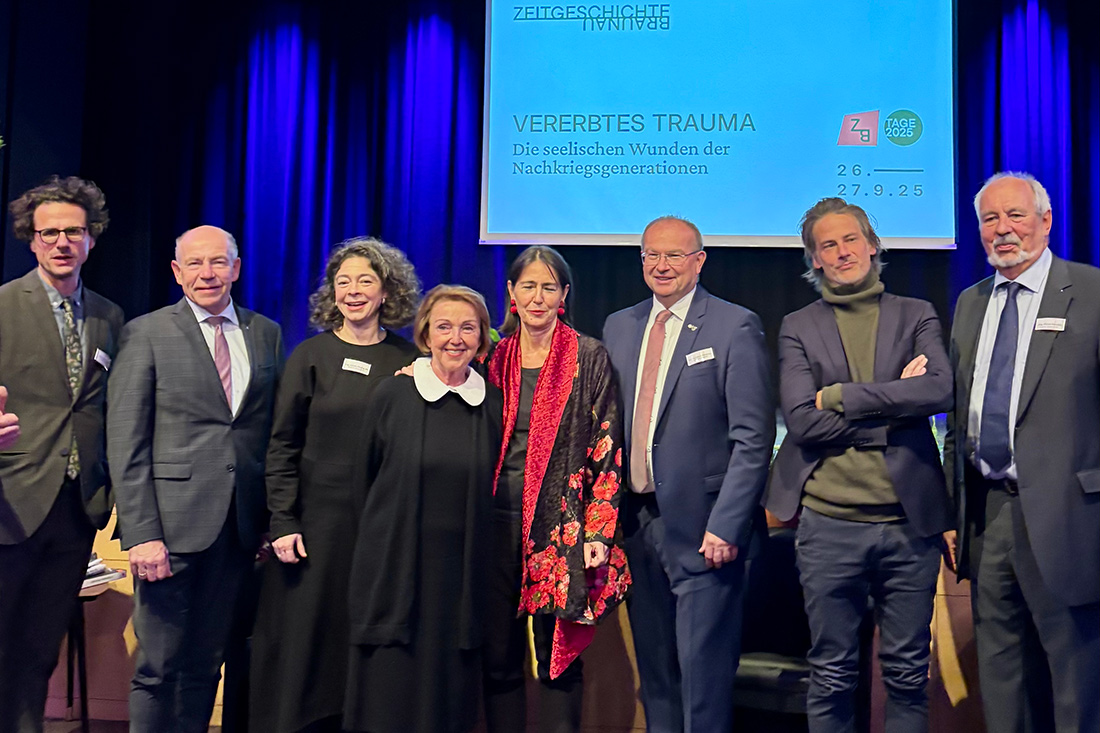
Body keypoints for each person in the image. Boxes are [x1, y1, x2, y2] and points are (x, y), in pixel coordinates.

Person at [767, 198, 953, 732]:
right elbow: (802, 422)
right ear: (815, 259)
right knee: (831, 675)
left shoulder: (916, 313)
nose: (842, 251)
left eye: (851, 239)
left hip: (908, 525)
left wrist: (842, 395)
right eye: (828, 245)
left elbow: (939, 389)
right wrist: (898, 400)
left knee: (907, 674)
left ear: (873, 245)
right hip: (829, 527)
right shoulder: (798, 325)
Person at [108, 225, 284, 733]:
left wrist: (268, 520)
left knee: (206, 664)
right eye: (195, 263)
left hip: (237, 531)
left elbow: (266, 434)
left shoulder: (265, 332)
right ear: (176, 271)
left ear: (236, 268)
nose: (207, 274)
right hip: (168, 532)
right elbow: (126, 439)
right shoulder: (146, 332)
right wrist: (142, 535)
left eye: (218, 262)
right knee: (158, 666)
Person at [602, 216, 775, 733]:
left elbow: (753, 439)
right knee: (655, 676)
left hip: (706, 533)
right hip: (636, 526)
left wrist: (726, 523)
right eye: (651, 254)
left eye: (674, 255)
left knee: (703, 678)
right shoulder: (619, 325)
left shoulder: (734, 325)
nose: (661, 265)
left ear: (699, 261)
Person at [943, 172, 1100, 733]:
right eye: (990, 219)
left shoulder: (1092, 291)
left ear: (1045, 221)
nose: (1002, 230)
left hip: (1070, 518)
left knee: (1074, 676)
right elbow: (959, 416)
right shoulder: (969, 303)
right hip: (988, 515)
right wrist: (951, 508)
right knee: (1000, 666)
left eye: (1015, 216)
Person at [249, 238, 420, 732]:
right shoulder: (310, 356)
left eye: (365, 280)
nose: (353, 291)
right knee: (307, 642)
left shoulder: (407, 360)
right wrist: (282, 520)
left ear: (387, 290)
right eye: (343, 281)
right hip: (312, 532)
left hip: (378, 530)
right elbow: (280, 446)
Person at [483, 246, 631, 733]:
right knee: (498, 653)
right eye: (528, 286)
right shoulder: (494, 356)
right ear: (510, 293)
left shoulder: (588, 356)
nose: (538, 297)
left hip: (562, 526)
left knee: (557, 657)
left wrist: (598, 532)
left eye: (549, 287)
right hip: (495, 519)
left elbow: (607, 449)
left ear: (564, 294)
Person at [344, 285, 502, 733]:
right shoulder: (391, 396)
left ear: (482, 337)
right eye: (444, 326)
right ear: (426, 333)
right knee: (390, 688)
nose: (456, 338)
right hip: (395, 569)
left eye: (468, 328)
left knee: (449, 692)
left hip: (461, 578)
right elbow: (364, 481)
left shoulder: (492, 403)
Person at [0, 176, 125, 733]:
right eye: (48, 232)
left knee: (38, 649)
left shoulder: (108, 315)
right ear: (31, 239)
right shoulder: (4, 305)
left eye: (73, 231)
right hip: (10, 503)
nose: (60, 242)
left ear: (91, 239)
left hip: (76, 510)